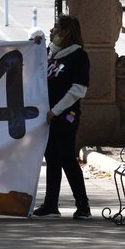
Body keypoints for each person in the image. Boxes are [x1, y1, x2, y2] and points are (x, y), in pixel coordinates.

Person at [33, 15, 91, 219]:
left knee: (66, 157)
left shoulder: (78, 56)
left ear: (66, 32)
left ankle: (83, 205)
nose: (52, 30)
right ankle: (50, 204)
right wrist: (36, 47)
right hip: (48, 117)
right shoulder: (50, 54)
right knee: (52, 158)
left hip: (66, 116)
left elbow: (78, 89)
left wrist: (56, 111)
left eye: (56, 27)